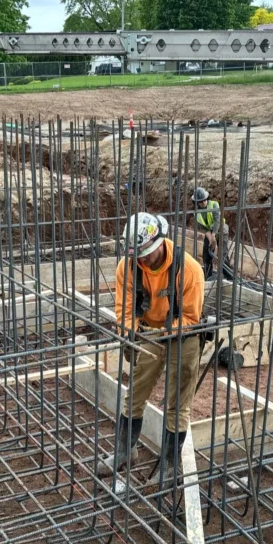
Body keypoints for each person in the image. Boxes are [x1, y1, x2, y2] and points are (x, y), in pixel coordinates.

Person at [99, 211, 205, 480]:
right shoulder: (129, 266)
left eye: (146, 254)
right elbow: (124, 310)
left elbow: (191, 318)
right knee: (134, 395)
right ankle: (125, 452)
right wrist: (130, 334)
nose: (143, 260)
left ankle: (170, 466)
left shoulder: (189, 268)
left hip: (184, 335)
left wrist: (162, 335)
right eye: (138, 255)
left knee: (177, 405)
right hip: (148, 334)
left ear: (160, 244)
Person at [191, 187, 230, 281]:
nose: (203, 202)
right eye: (201, 201)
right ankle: (207, 276)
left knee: (223, 254)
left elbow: (217, 221)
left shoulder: (214, 204)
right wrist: (210, 240)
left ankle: (228, 277)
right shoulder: (196, 213)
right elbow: (204, 229)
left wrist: (213, 238)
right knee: (206, 254)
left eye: (204, 200)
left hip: (221, 230)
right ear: (197, 203)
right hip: (210, 233)